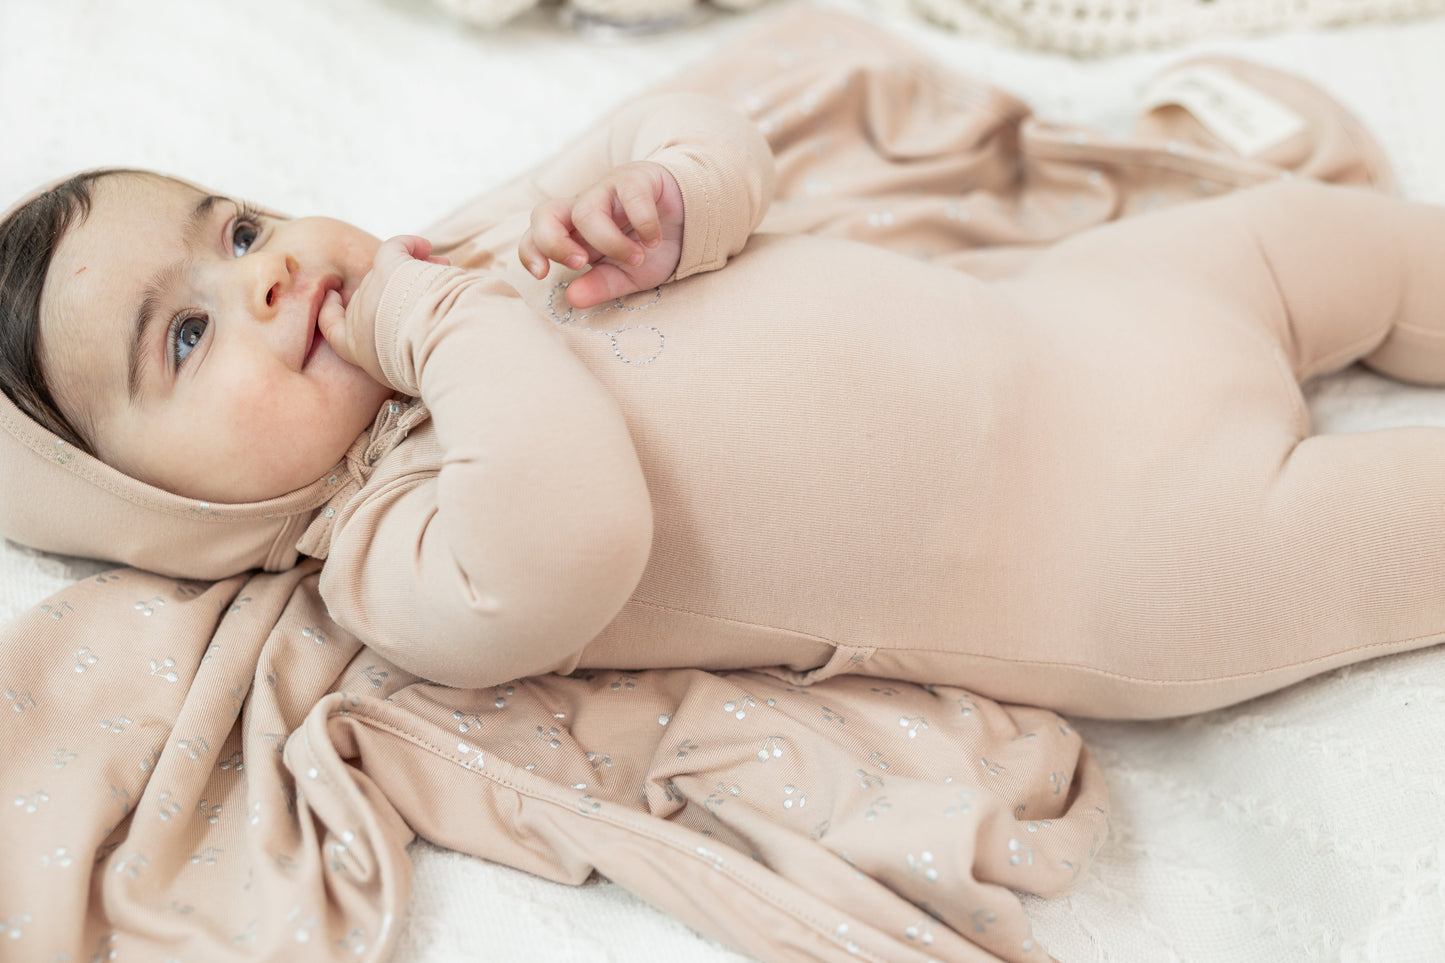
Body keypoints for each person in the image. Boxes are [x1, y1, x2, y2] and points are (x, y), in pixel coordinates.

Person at [3, 88, 1444, 721]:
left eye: (240, 229)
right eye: (185, 335)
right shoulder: (393, 550)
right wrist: (434, 319)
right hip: (1135, 555)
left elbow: (691, 136)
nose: (260, 280)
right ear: (160, 510)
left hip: (1087, 311)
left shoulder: (483, 251)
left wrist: (676, 198)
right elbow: (571, 533)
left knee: (1335, 238)